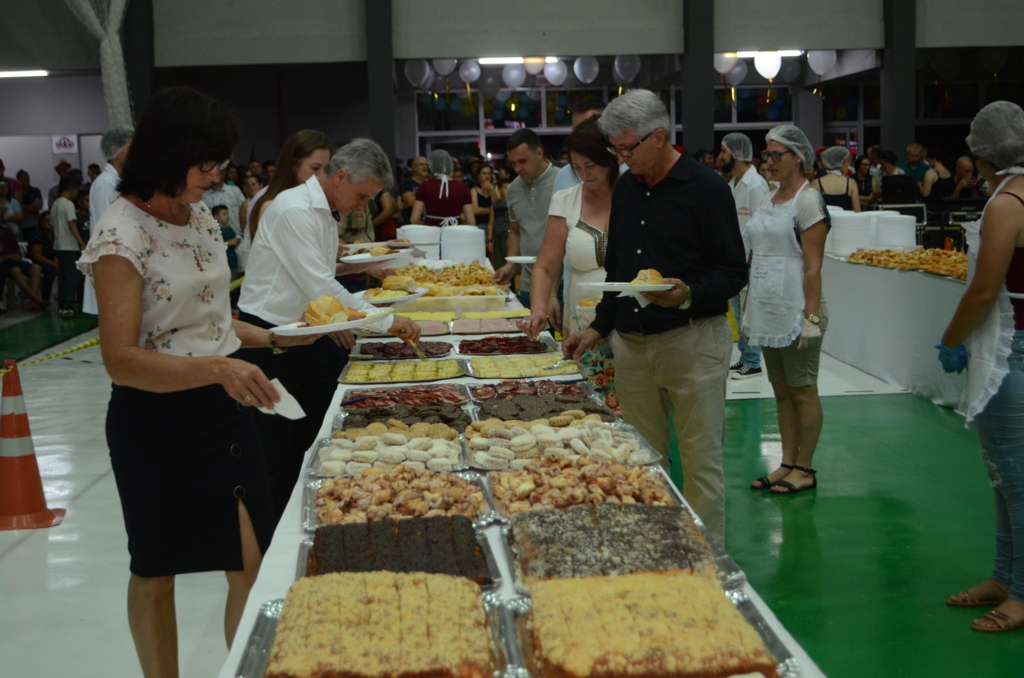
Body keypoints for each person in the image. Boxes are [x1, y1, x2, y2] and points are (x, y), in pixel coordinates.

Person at [76, 87, 332, 678]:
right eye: (206, 163)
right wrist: (219, 367)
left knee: (249, 562)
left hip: (225, 412)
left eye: (221, 164)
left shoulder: (197, 218)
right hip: (156, 421)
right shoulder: (121, 235)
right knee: (156, 568)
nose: (216, 176)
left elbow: (213, 322)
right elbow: (121, 359)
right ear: (167, 153)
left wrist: (272, 338)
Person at [563, 90, 746, 542]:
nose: (620, 159)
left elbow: (733, 272)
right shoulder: (627, 187)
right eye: (615, 150)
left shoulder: (705, 188)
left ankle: (705, 558)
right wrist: (598, 327)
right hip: (632, 344)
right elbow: (620, 270)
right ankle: (656, 547)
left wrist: (687, 293)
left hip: (693, 338)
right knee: (644, 457)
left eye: (626, 149)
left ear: (659, 137)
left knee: (700, 459)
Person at [237, 138, 421, 521]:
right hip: (270, 340)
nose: (363, 206)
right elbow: (320, 286)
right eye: (361, 195)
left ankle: (300, 520)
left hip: (307, 334)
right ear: (339, 177)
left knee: (308, 442)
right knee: (273, 449)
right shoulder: (294, 210)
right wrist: (386, 321)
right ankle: (266, 541)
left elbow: (319, 279)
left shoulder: (323, 211)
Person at [938, 100, 1024, 633]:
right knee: (1002, 474)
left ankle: (1021, 591)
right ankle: (1002, 574)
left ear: (980, 150)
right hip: (1015, 344)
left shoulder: (1006, 205)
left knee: (1014, 478)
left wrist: (949, 338)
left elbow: (984, 290)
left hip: (1010, 347)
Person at [742, 125, 831, 496]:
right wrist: (749, 309)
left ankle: (805, 468)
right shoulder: (771, 198)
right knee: (781, 392)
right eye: (767, 155)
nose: (770, 162)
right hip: (769, 310)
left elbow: (813, 267)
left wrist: (810, 319)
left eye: (777, 155)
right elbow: (757, 257)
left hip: (798, 311)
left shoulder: (807, 202)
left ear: (799, 157)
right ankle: (786, 462)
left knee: (802, 391)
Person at [521, 120, 619, 407]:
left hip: (627, 317)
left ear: (611, 160)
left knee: (632, 401)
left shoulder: (633, 196)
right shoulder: (566, 200)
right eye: (577, 168)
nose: (584, 174)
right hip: (580, 314)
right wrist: (538, 309)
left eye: (591, 166)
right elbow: (546, 265)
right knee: (585, 403)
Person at [719, 132, 771, 380]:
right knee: (740, 313)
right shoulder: (733, 184)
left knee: (749, 313)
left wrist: (753, 259)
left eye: (723, 152)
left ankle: (753, 361)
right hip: (736, 260)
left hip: (751, 261)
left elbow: (761, 225)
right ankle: (744, 357)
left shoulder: (756, 184)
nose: (720, 158)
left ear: (737, 154)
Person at [492, 130, 560, 307]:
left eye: (523, 161)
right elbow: (515, 231)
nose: (517, 168)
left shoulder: (562, 181)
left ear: (539, 153)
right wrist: (510, 263)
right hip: (528, 284)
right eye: (513, 163)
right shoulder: (513, 189)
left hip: (560, 284)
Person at [249, 130, 334, 242]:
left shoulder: (316, 200)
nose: (321, 175)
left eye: (326, 169)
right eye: (315, 168)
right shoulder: (271, 205)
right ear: (294, 165)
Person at [86, 124, 135, 315]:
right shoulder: (105, 184)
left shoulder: (120, 180)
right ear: (115, 151)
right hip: (112, 258)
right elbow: (110, 227)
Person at [409, 149, 475, 227]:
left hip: (431, 234)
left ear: (432, 167)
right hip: (455, 234)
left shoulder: (425, 186)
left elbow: (414, 219)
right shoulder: (463, 187)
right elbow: (471, 221)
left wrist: (425, 227)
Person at [52, 175, 85, 317]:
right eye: (76, 190)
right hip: (70, 245)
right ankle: (68, 306)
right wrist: (81, 242)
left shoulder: (55, 204)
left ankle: (62, 305)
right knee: (74, 275)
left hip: (59, 245)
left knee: (64, 276)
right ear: (72, 189)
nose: (77, 193)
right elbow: (72, 224)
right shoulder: (68, 204)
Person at [0, 217, 46, 311]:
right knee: (16, 270)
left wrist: (16, 256)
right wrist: (6, 257)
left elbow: (18, 250)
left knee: (36, 267)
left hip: (14, 261)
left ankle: (33, 303)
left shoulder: (7, 231)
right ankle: (37, 299)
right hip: (2, 263)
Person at [202, 169, 246, 240]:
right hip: (214, 238)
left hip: (237, 236)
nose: (217, 177)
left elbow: (245, 212)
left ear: (224, 174)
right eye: (213, 175)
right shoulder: (204, 195)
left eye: (220, 173)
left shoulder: (235, 190)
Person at [815, 146, 861, 212]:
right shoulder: (851, 183)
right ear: (840, 163)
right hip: (846, 222)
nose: (849, 164)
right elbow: (858, 213)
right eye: (847, 161)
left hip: (824, 222)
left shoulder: (816, 183)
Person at [27, 210, 58, 306]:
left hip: (51, 261)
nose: (49, 223)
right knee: (51, 270)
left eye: (51, 220)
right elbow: (37, 256)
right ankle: (45, 298)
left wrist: (56, 263)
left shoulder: (55, 234)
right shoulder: (37, 233)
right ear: (41, 222)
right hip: (37, 261)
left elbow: (57, 252)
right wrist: (54, 264)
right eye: (46, 220)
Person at [237, 172, 265, 271]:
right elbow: (243, 226)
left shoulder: (267, 201)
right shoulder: (245, 204)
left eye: (253, 184)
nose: (251, 187)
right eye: (248, 185)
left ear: (261, 185)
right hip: (249, 241)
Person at [489, 174, 513, 269]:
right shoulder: (495, 205)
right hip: (498, 238)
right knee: (499, 264)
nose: (509, 191)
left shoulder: (514, 204)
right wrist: (490, 240)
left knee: (514, 264)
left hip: (510, 238)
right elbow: (491, 224)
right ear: (499, 190)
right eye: (506, 188)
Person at [399, 156, 430, 223]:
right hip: (411, 224)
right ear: (413, 167)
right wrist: (431, 200)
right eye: (421, 164)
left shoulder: (431, 183)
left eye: (426, 164)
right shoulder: (407, 183)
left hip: (428, 224)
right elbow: (410, 201)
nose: (425, 167)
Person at [212, 205, 240, 278]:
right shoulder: (215, 231)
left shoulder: (230, 230)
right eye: (224, 214)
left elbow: (234, 246)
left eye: (227, 213)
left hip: (232, 261)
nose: (227, 216)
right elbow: (214, 246)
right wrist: (229, 242)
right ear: (216, 216)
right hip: (222, 263)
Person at [470, 165, 499, 231]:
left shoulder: (495, 188)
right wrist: (491, 210)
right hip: (479, 223)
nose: (487, 176)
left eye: (489, 173)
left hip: (494, 223)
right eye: (484, 173)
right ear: (479, 175)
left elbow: (498, 206)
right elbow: (476, 210)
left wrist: (491, 190)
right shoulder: (474, 190)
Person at [16, 170, 43, 237]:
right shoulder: (15, 193)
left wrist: (21, 207)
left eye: (28, 178)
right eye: (24, 178)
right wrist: (29, 207)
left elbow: (37, 207)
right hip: (21, 226)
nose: (27, 180)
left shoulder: (35, 191)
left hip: (34, 224)